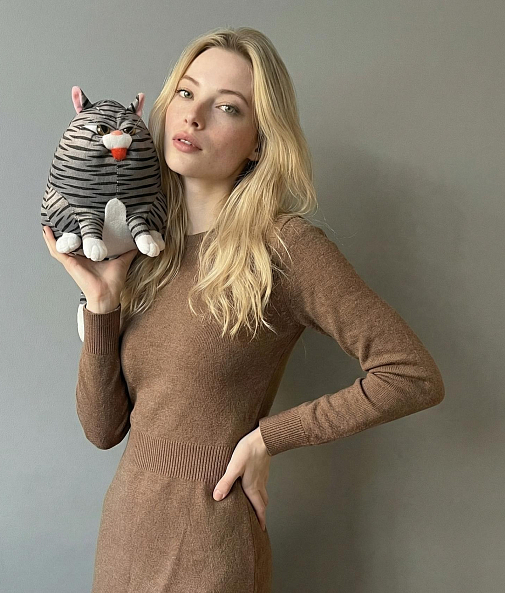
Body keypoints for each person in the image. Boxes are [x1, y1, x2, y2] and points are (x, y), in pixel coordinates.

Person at [42, 26, 445, 593]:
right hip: (125, 537)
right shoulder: (144, 249)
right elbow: (103, 429)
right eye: (186, 93)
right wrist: (103, 305)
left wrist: (267, 438)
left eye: (226, 106)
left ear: (258, 142)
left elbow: (411, 375)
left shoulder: (285, 248)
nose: (193, 115)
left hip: (209, 548)